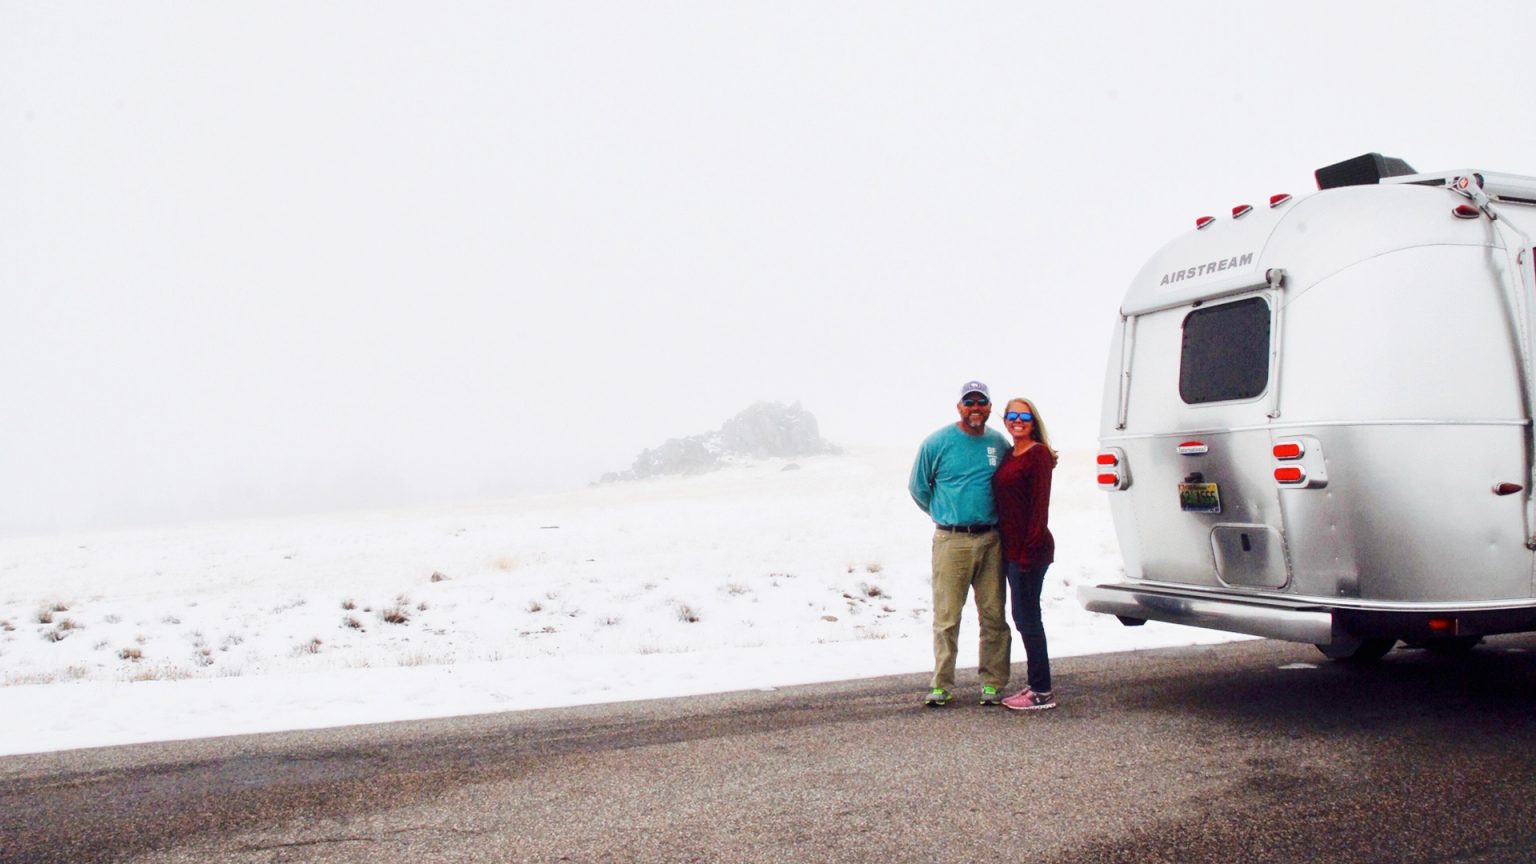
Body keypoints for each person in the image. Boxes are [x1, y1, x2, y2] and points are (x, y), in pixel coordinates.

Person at [908, 381, 1012, 707]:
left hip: (991, 539)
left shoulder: (998, 443)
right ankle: (941, 684)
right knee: (947, 617)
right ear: (959, 407)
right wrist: (944, 514)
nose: (975, 408)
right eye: (970, 402)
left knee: (993, 616)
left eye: (981, 402)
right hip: (951, 540)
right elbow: (918, 488)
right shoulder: (936, 443)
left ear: (990, 407)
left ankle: (992, 684)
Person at [993, 396, 1058, 711]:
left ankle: (1042, 692)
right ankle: (1036, 684)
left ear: (1034, 422)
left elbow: (1039, 509)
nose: (1018, 421)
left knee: (1028, 619)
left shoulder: (1038, 454)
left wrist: (1026, 555)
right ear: (1005, 420)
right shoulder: (1010, 453)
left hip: (1030, 552)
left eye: (1025, 416)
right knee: (1024, 617)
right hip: (1011, 550)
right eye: (1013, 416)